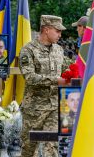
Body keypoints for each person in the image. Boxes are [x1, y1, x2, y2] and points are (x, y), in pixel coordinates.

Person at [19, 15, 69, 157]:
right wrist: (56, 80)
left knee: (52, 146)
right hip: (34, 109)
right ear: (46, 30)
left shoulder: (59, 50)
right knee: (29, 149)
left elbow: (68, 69)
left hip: (54, 107)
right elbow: (29, 77)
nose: (60, 34)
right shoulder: (28, 50)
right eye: (57, 31)